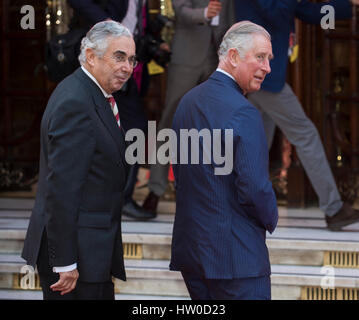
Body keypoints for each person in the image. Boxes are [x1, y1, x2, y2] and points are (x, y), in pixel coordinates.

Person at [21, 21, 136, 300]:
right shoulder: (77, 101)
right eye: (118, 57)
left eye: (132, 59)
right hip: (75, 261)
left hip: (91, 253)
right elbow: (61, 189)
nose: (127, 67)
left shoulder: (93, 93)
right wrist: (65, 261)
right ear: (91, 56)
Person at [170, 21, 278, 300]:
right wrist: (271, 218)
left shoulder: (186, 103)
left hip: (194, 256)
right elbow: (254, 188)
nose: (267, 67)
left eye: (268, 59)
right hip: (237, 258)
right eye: (260, 57)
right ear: (232, 57)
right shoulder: (244, 112)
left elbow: (182, 178)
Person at [234, 0, 359, 231]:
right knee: (306, 135)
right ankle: (333, 209)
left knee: (255, 146)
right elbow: (275, 11)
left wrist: (348, 7)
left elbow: (309, 14)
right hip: (261, 75)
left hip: (264, 76)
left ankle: (235, 206)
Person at [68, 0, 170, 220]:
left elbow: (135, 20)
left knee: (132, 129)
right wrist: (104, 23)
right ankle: (116, 199)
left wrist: (155, 39)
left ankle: (119, 198)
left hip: (127, 68)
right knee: (115, 128)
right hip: (102, 61)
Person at [142, 0, 234, 215]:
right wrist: (204, 12)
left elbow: (231, 18)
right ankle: (155, 189)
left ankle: (210, 191)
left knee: (213, 124)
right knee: (170, 119)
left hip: (218, 58)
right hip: (187, 55)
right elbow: (180, 10)